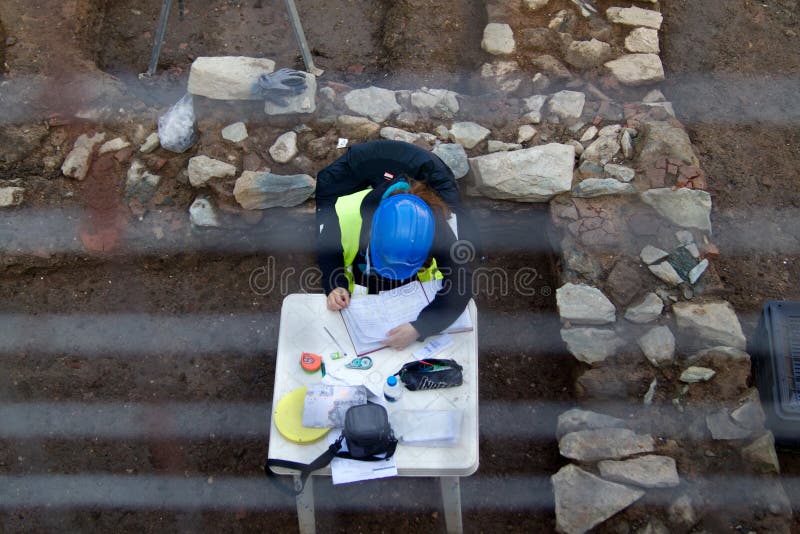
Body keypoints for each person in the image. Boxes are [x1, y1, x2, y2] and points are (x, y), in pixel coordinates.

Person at [317, 178, 472, 350]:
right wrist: (336, 285)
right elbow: (328, 254)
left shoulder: (431, 222)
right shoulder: (345, 213)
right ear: (372, 232)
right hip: (361, 291)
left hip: (413, 291)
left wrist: (421, 327)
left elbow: (461, 281)